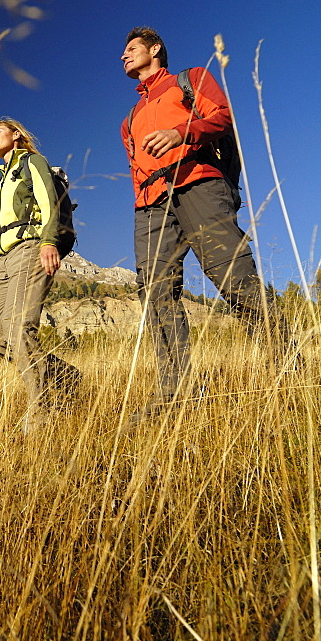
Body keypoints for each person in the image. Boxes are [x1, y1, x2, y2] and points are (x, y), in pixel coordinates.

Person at [120, 26, 288, 414]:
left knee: (231, 274)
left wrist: (182, 133)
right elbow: (134, 166)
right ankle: (175, 392)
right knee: (155, 292)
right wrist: (141, 206)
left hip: (198, 182)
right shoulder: (128, 119)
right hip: (149, 205)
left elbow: (223, 116)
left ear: (155, 48)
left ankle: (286, 362)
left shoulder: (190, 79)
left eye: (131, 48)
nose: (124, 56)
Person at [0, 118, 79, 433]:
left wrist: (49, 241)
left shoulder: (32, 162)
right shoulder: (1, 182)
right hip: (1, 261)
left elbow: (49, 201)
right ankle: (65, 377)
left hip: (30, 248)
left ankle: (40, 411)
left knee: (18, 328)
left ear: (16, 135)